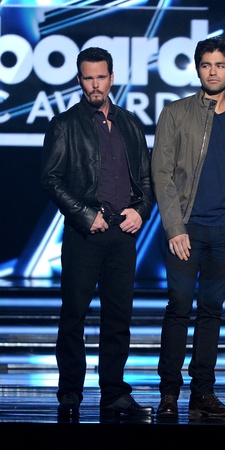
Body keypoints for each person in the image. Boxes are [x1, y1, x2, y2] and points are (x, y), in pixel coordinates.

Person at [40, 47, 155, 420]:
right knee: (74, 315)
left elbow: (147, 178)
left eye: (101, 77)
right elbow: (51, 179)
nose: (95, 84)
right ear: (79, 80)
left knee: (119, 318)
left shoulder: (130, 123)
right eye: (88, 78)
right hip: (85, 233)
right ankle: (70, 391)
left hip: (122, 234)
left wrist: (140, 211)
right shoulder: (64, 124)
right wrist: (85, 215)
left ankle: (114, 393)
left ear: (111, 78)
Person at [151, 36, 225, 419]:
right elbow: (161, 173)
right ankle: (168, 393)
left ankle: (202, 393)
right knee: (179, 307)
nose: (213, 72)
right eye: (206, 65)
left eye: (220, 65)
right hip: (187, 230)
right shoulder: (175, 113)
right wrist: (174, 227)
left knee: (212, 311)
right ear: (198, 69)